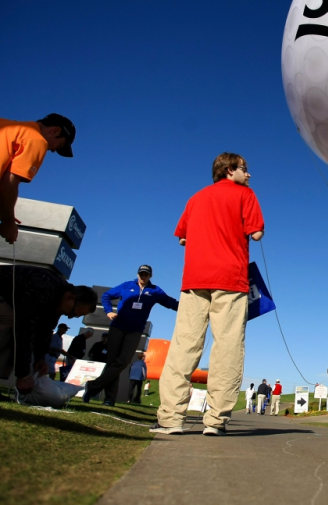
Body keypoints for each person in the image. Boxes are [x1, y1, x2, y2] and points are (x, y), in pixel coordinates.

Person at [153, 153, 264, 436]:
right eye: (245, 169)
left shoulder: (196, 198)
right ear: (230, 170)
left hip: (194, 279)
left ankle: (170, 418)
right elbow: (257, 234)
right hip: (230, 278)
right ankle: (215, 421)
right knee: (226, 346)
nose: (248, 175)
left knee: (184, 345)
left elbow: (182, 238)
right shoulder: (244, 194)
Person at [83, 265, 178, 407]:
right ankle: (109, 398)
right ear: (137, 274)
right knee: (112, 362)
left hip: (135, 330)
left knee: (124, 361)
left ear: (150, 276)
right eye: (141, 274)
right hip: (117, 327)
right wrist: (108, 311)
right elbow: (106, 295)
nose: (143, 277)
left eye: (146, 274)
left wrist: (189, 308)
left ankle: (92, 386)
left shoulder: (155, 291)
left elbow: (171, 302)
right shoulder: (127, 285)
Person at [0, 265, 97, 394]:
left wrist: (41, 358)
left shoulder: (58, 298)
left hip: (10, 300)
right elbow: (23, 330)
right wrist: (23, 375)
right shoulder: (42, 288)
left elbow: (46, 329)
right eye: (73, 313)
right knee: (11, 324)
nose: (69, 317)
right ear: (71, 297)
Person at [0, 114, 76, 244]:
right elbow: (9, 182)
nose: (52, 151)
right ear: (54, 131)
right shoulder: (36, 139)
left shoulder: (7, 126)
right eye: (59, 146)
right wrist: (8, 221)